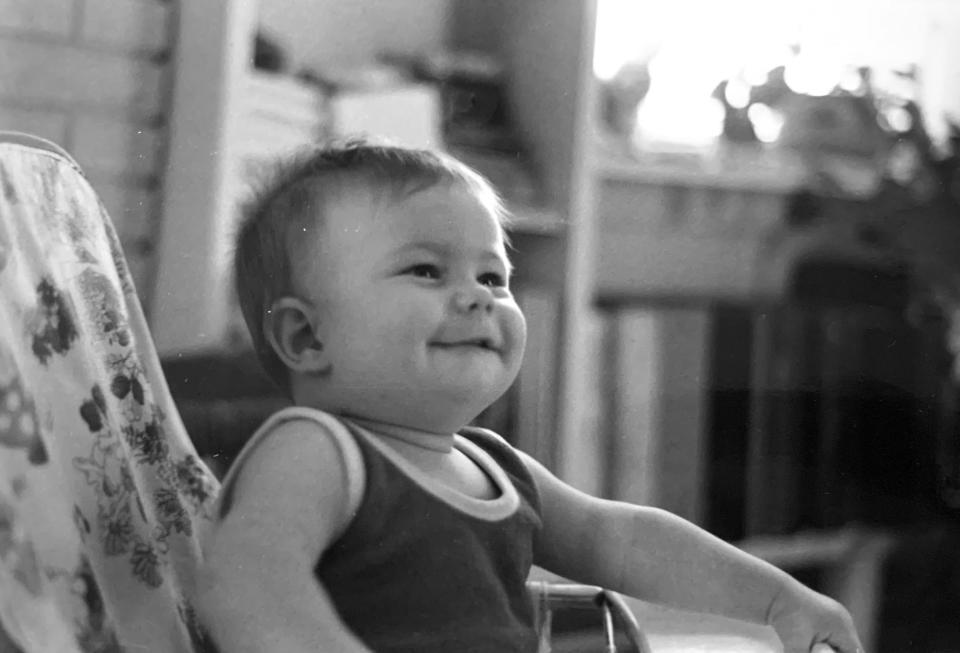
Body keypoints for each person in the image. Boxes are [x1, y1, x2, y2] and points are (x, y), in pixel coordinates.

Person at [197, 139, 862, 653]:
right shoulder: (320, 451)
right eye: (427, 269)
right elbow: (246, 577)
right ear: (306, 335)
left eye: (494, 274)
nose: (480, 295)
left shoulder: (496, 467)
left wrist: (778, 600)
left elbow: (623, 540)